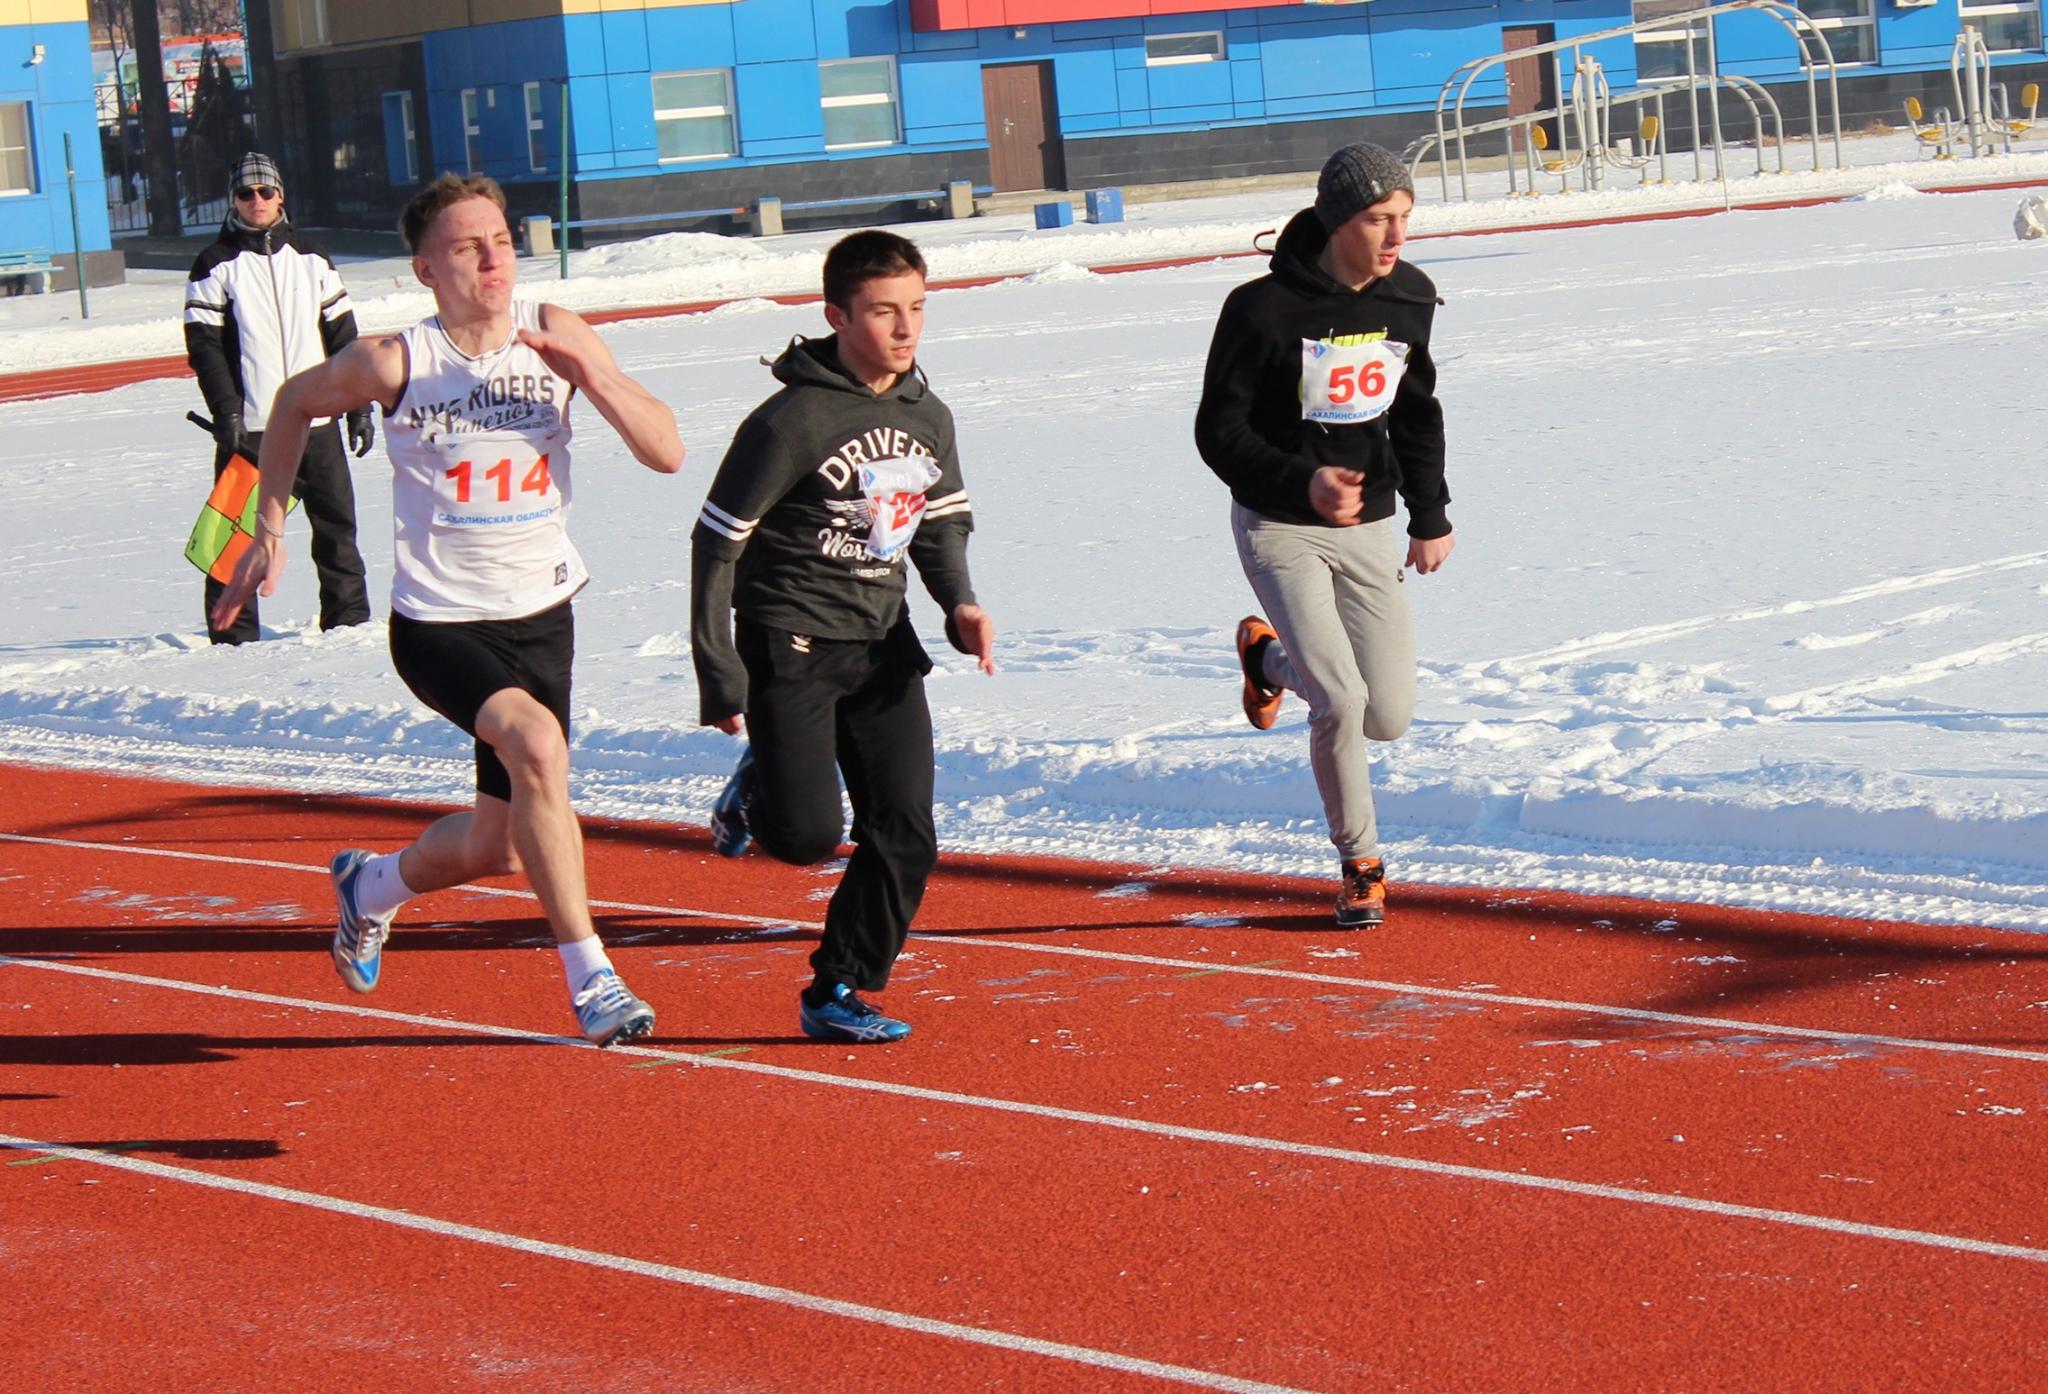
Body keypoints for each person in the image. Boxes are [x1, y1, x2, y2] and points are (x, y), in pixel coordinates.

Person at [211, 172, 685, 1047]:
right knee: (537, 746)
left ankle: (370, 887)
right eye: (467, 247)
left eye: (501, 240)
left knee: (501, 846)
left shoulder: (557, 336)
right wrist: (268, 524)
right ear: (427, 268)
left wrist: (593, 378)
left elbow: (667, 451)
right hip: (438, 623)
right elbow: (291, 404)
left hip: (542, 613)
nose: (492, 258)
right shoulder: (397, 361)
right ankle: (594, 978)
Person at [691, 230, 994, 1044]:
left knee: (907, 831)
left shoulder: (927, 414)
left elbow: (939, 525)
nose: (905, 330)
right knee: (805, 839)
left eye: (917, 309)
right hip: (789, 639)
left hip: (882, 642)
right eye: (884, 312)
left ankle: (838, 987)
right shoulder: (790, 421)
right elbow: (717, 541)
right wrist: (718, 669)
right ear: (836, 315)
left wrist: (959, 605)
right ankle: (764, 779)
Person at [1194, 142, 1455, 929]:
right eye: (1380, 218)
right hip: (1279, 524)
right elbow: (1217, 429)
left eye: (1405, 218)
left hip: (1369, 525)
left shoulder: (1409, 298)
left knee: (1388, 715)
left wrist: (1430, 514)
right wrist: (1297, 479)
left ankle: (1267, 658)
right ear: (1340, 220)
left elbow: (1415, 413)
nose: (1396, 236)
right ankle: (1361, 864)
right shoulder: (1261, 309)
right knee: (1339, 700)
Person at [185, 151, 373, 645]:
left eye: (264, 192)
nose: (256, 201)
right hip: (251, 425)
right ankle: (234, 639)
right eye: (245, 193)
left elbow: (344, 337)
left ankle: (348, 625)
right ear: (234, 200)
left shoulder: (312, 257)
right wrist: (225, 410)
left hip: (318, 421)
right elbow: (203, 348)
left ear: (280, 196)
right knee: (236, 540)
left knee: (338, 530)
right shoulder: (214, 264)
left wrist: (357, 404)